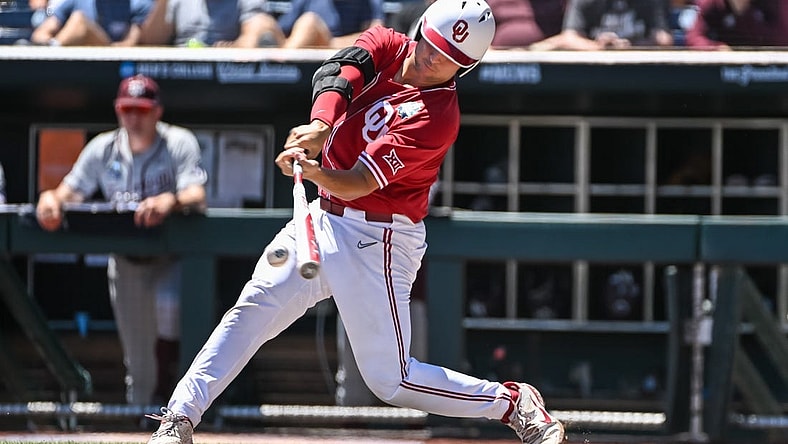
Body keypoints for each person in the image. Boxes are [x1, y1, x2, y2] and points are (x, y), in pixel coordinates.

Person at [145, 1, 565, 443]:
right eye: (432, 44)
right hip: (322, 217)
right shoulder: (387, 43)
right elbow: (337, 70)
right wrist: (320, 126)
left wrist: (309, 168)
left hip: (379, 237)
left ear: (466, 66)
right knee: (251, 311)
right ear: (420, 29)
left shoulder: (437, 117)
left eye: (449, 58)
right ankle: (179, 417)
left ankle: (512, 403)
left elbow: (359, 182)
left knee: (391, 380)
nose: (432, 58)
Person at [35, 74, 208, 405]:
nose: (134, 118)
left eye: (142, 110)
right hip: (126, 262)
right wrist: (50, 200)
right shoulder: (103, 147)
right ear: (118, 110)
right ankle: (141, 418)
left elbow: (196, 193)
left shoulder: (178, 142)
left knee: (171, 309)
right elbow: (68, 193)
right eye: (127, 109)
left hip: (170, 256)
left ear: (157, 112)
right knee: (139, 362)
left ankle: (180, 406)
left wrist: (170, 200)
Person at [529, 0, 674, 50]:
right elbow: (569, 37)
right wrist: (599, 46)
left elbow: (664, 38)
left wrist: (632, 45)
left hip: (639, 69)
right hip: (594, 66)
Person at [139, 0, 281, 48]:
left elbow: (254, 35)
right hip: (181, 71)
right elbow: (151, 41)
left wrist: (232, 50)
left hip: (228, 74)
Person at [26, 0, 153, 46]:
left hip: (112, 63)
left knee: (79, 19)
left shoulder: (139, 4)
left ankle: (55, 47)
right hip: (75, 66)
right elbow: (40, 34)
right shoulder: (77, 1)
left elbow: (129, 44)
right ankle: (54, 47)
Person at [276, 0, 386, 49]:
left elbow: (376, 39)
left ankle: (282, 65)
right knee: (261, 21)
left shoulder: (369, 3)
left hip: (341, 60)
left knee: (309, 22)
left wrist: (328, 43)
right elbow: (284, 30)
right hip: (302, 52)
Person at [684, 0, 788, 49]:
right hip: (723, 75)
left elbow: (782, 41)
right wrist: (716, 48)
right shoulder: (712, 3)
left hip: (766, 72)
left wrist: (745, 13)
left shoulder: (775, 3)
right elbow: (693, 37)